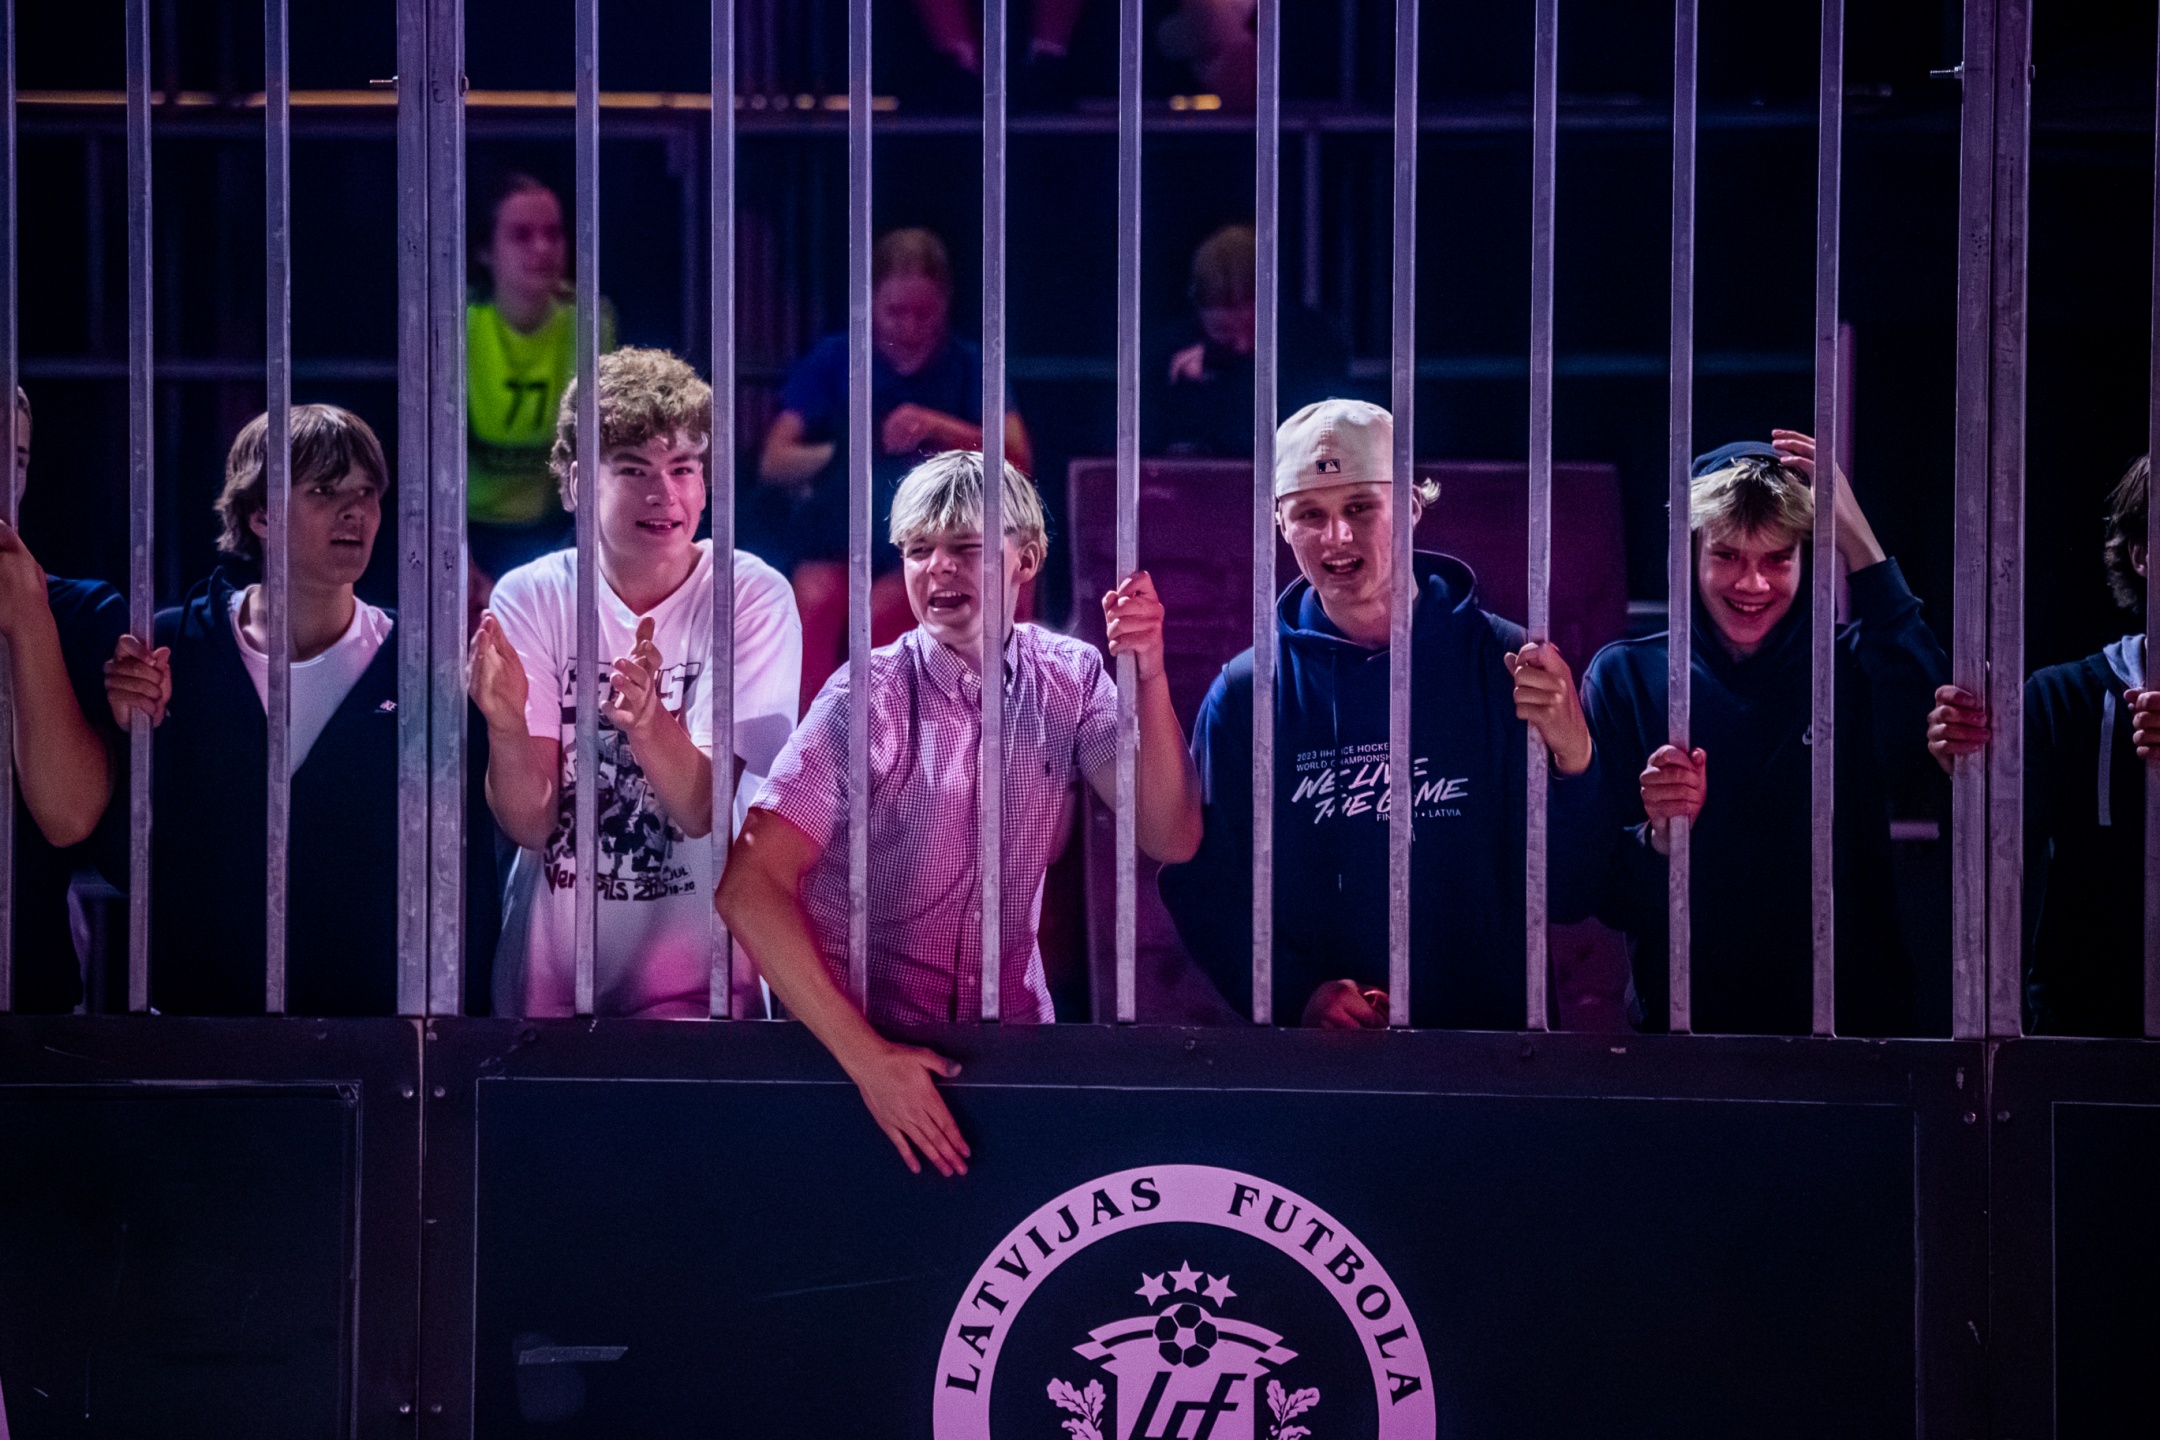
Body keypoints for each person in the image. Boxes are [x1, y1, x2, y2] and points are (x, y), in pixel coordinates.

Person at [717, 450, 1200, 1176]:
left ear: (1026, 558)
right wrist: (869, 1061)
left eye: (966, 548)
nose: (937, 569)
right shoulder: (866, 699)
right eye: (918, 550)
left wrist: (1150, 674)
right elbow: (748, 889)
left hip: (1011, 1053)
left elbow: (1171, 834)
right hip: (861, 1060)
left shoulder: (1069, 677)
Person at [1158, 399, 1608, 1030]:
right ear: (1280, 524)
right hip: (1328, 1064)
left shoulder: (1505, 662)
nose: (1336, 537)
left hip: (1495, 1054)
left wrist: (1575, 758)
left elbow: (1572, 891)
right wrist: (1297, 993)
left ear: (1412, 507)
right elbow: (1205, 889)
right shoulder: (1245, 693)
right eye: (1310, 514)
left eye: (1360, 508)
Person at [1578, 433, 1948, 1036]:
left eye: (1777, 558)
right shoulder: (1628, 677)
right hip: (1686, 1035)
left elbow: (1939, 747)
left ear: (1807, 556)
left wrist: (1859, 541)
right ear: (1691, 552)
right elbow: (1599, 890)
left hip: (1855, 1029)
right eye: (1727, 554)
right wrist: (1659, 838)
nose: (1752, 584)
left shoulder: (1854, 664)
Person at [470, 347, 802, 1020]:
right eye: (633, 469)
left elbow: (703, 809)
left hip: (703, 992)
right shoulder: (531, 596)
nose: (665, 494)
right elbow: (530, 823)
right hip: (550, 991)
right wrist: (504, 727)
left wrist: (649, 724)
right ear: (574, 483)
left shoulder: (750, 595)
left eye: (683, 468)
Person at [102, 406, 406, 1015]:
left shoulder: (413, 658)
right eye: (325, 490)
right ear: (259, 513)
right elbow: (119, 857)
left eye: (367, 492)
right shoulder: (175, 645)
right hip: (200, 1023)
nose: (355, 511)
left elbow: (458, 865)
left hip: (371, 1033)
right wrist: (126, 734)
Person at [758, 228, 1033, 712]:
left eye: (922, 313)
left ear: (945, 303)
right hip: (843, 534)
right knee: (811, 603)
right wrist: (849, 452)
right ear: (870, 304)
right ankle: (809, 737)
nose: (908, 327)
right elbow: (774, 462)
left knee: (881, 612)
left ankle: (890, 736)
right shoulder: (837, 359)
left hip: (934, 541)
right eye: (894, 313)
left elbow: (1017, 457)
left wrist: (937, 427)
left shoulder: (969, 364)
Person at [1927, 455, 2156, 1035]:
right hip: (2085, 1036)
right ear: (2142, 554)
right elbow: (1988, 864)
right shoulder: (2061, 698)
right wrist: (1964, 769)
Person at [0, 388, 127, 1011]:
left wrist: (27, 618)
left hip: (22, 999)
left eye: (17, 460)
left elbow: (69, 817)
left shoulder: (79, 611)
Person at [467, 172, 616, 584]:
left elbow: (601, 455)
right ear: (485, 250)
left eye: (553, 233)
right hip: (465, 532)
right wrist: (459, 562)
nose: (542, 248)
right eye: (521, 235)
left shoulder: (591, 320)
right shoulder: (460, 322)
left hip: (556, 532)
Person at [1147, 224, 1353, 459]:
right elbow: (1150, 441)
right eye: (1211, 303)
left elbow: (1312, 432)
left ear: (1266, 299)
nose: (1226, 317)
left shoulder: (1309, 341)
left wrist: (1242, 361)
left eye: (1242, 304)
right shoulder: (1174, 350)